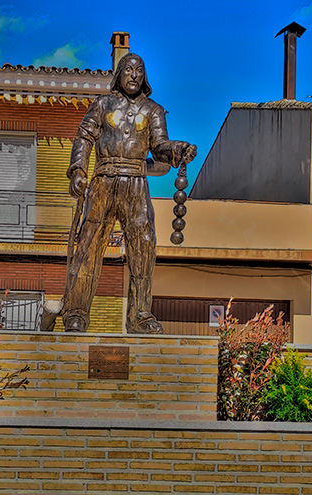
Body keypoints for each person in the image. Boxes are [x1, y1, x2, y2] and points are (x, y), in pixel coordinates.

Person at [55, 53, 196, 333]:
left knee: (143, 248)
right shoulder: (102, 104)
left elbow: (160, 146)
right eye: (128, 69)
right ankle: (76, 313)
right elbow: (84, 137)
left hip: (135, 184)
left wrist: (178, 149)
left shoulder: (153, 110)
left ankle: (140, 315)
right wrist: (78, 171)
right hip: (103, 181)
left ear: (145, 77)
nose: (133, 75)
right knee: (88, 247)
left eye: (139, 70)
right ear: (119, 74)